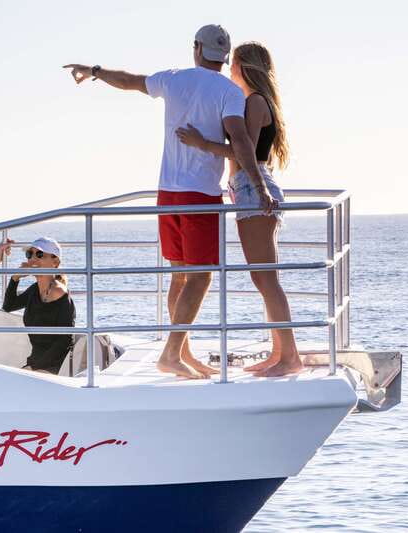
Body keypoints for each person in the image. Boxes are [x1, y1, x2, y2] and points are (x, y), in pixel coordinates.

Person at [64, 25, 274, 379]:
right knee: (201, 275)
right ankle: (173, 353)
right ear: (225, 57)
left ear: (197, 48)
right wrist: (260, 186)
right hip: (200, 195)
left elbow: (130, 81)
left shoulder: (174, 79)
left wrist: (94, 72)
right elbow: (240, 140)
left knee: (180, 274)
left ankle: (182, 352)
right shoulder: (229, 92)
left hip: (168, 192)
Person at [175, 42, 302, 377]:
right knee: (264, 277)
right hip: (248, 188)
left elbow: (241, 150)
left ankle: (289, 357)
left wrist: (202, 144)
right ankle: (280, 354)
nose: (230, 69)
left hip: (252, 187)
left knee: (266, 279)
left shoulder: (255, 102)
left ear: (247, 67)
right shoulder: (258, 101)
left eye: (235, 65)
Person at [2, 237, 76, 374]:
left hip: (56, 367)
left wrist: (35, 368)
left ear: (55, 262)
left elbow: (64, 341)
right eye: (30, 254)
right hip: (36, 364)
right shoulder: (34, 290)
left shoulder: (59, 293)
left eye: (40, 254)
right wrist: (15, 278)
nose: (33, 259)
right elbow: (8, 306)